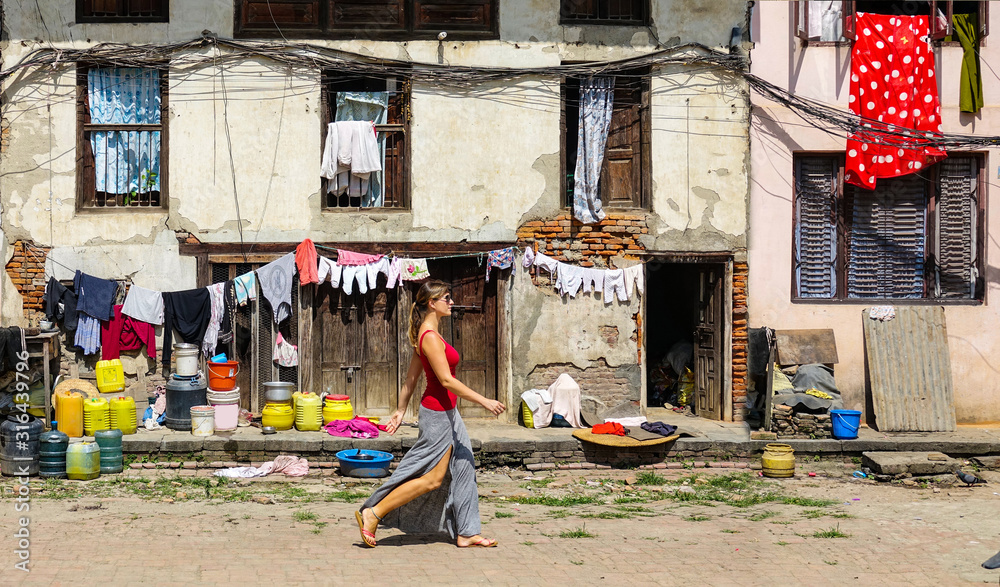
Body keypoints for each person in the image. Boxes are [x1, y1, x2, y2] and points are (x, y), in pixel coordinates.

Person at [355, 279, 506, 548]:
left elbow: (410, 380)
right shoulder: (429, 338)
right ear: (431, 303)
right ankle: (373, 512)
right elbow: (446, 381)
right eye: (446, 298)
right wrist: (484, 401)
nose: (451, 302)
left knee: (463, 466)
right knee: (433, 479)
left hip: (448, 413)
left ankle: (467, 532)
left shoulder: (426, 334)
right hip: (437, 414)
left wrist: (400, 411)